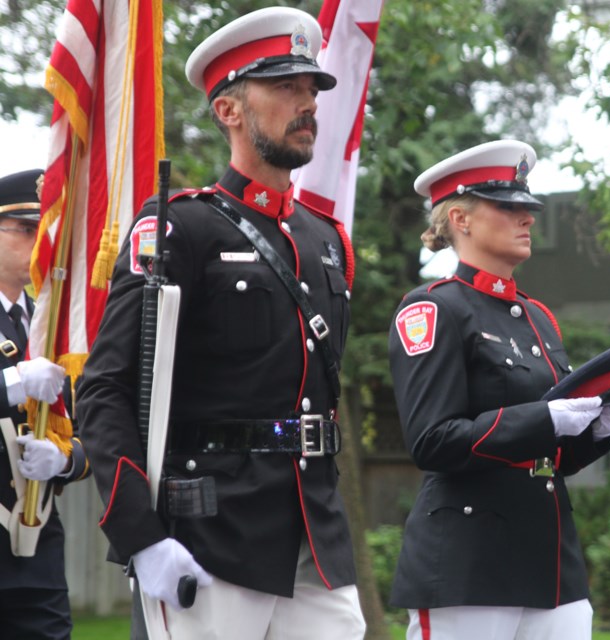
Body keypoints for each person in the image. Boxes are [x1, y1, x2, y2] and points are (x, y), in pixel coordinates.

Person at [75, 7, 364, 639]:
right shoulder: (180, 228)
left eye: (311, 88)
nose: (307, 102)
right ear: (229, 111)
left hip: (316, 536)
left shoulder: (324, 240)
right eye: (286, 87)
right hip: (213, 536)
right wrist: (141, 538)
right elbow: (103, 390)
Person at [387, 140, 610, 640]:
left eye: (527, 207)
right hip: (469, 560)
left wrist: (599, 430)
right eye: (508, 208)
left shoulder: (538, 318)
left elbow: (558, 457)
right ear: (461, 219)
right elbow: (433, 440)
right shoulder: (433, 309)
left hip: (551, 562)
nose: (528, 218)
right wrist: (545, 419)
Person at [0, 168, 89, 639]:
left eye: (45, 230)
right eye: (26, 229)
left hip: (35, 544)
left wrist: (64, 461)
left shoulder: (50, 328)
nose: (40, 242)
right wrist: (10, 384)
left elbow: (93, 424)